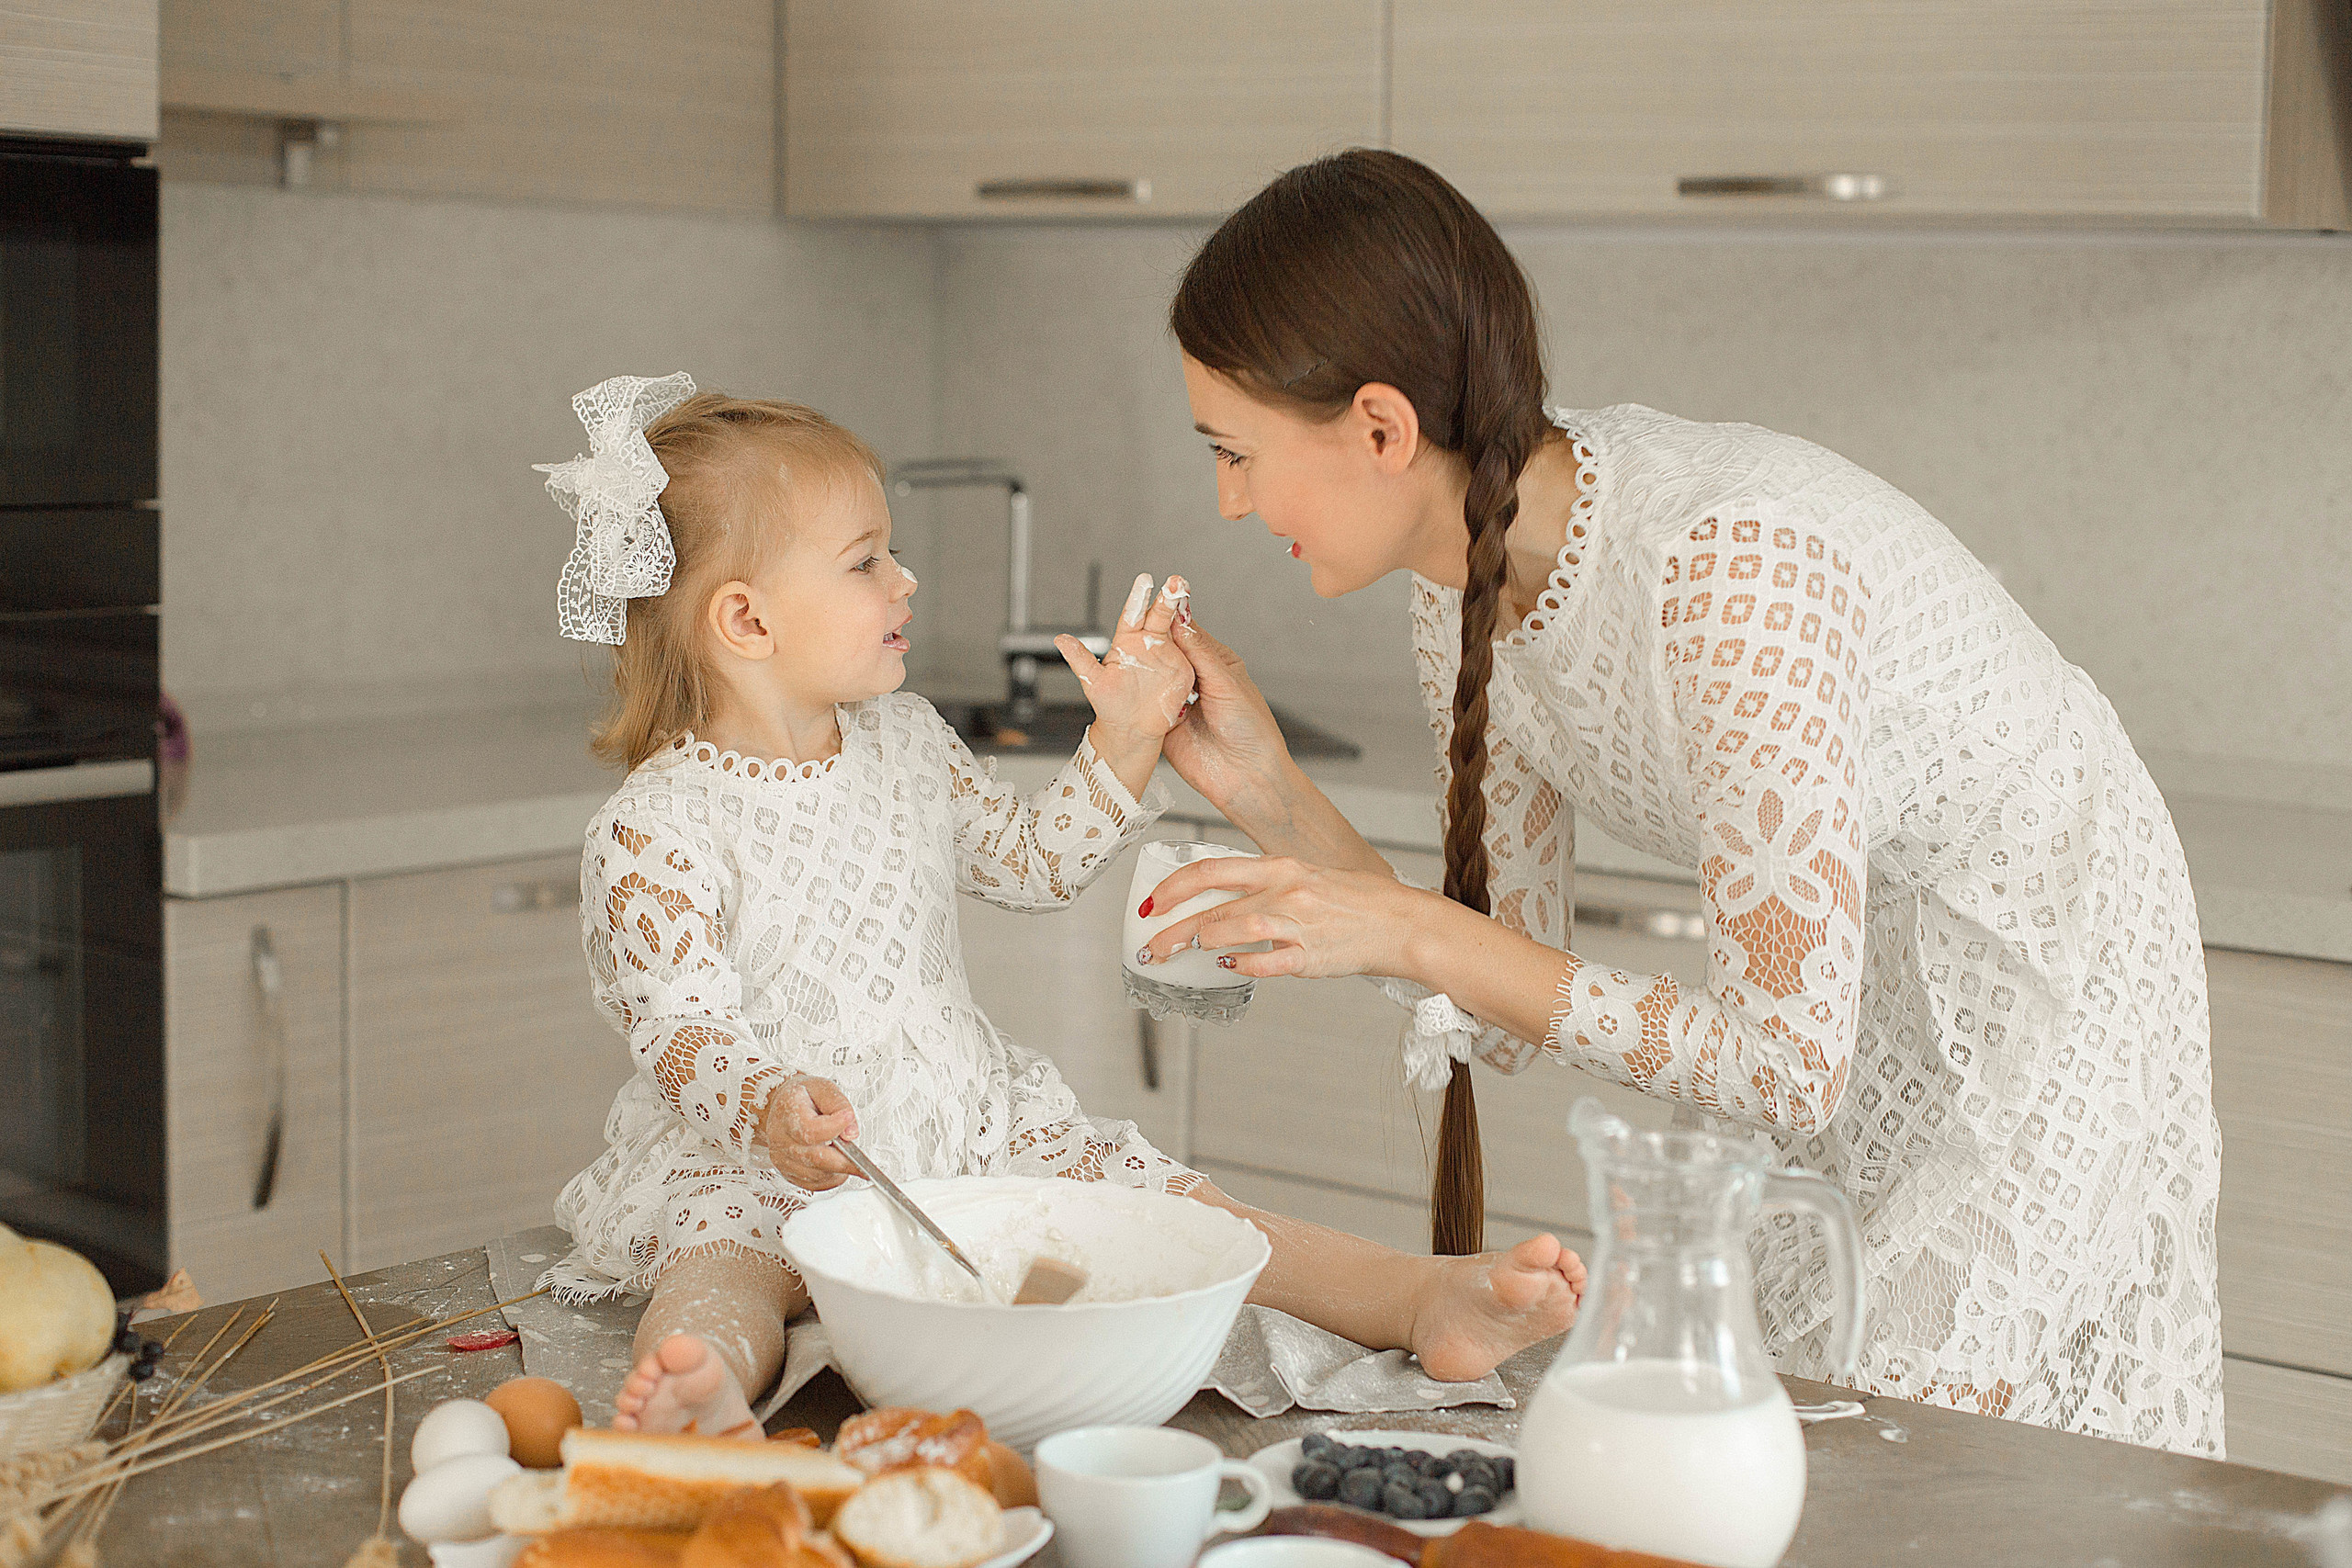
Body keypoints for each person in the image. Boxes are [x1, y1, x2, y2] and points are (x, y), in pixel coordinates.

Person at [1131, 151, 2222, 1455]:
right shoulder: (1457, 584)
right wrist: (1263, 786)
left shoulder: (1726, 572)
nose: (1228, 499)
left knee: (1919, 1436)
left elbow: (1783, 1065)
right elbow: (1513, 994)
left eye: (1238, 451)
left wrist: (1411, 929)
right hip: (1826, 981)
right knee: (1783, 1417)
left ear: (1381, 427)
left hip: (2037, 960)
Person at [529, 374, 1587, 1439]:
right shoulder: (656, 821)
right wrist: (765, 1106)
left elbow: (1032, 865)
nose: (905, 580)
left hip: (965, 1120)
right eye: (865, 562)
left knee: (1176, 1212)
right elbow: (677, 1024)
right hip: (760, 1152)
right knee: (726, 1265)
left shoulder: (906, 740)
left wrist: (1124, 736)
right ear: (747, 620)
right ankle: (703, 1383)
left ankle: (1417, 1295)